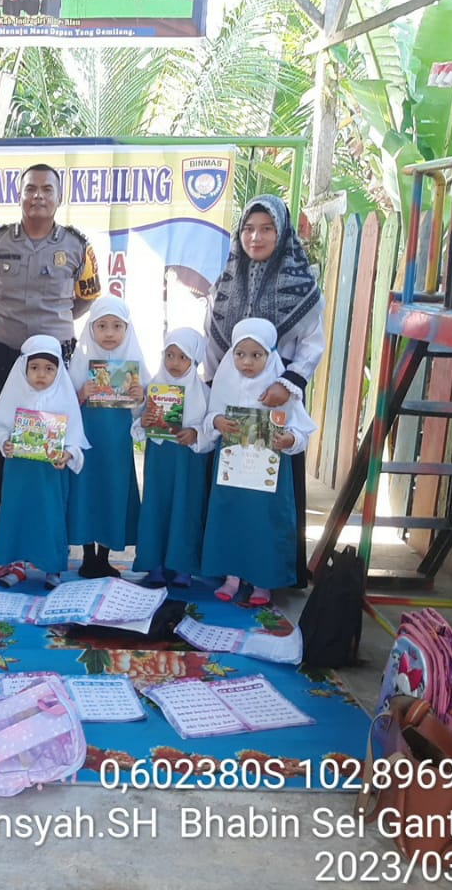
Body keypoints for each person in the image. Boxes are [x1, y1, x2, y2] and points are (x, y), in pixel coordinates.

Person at [205, 195, 323, 587]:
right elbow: (213, 339)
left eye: (267, 228)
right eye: (248, 229)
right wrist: (214, 392)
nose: (255, 237)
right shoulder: (224, 282)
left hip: (277, 400)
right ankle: (231, 570)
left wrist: (287, 384)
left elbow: (311, 343)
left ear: (282, 232)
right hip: (234, 401)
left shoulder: (304, 287)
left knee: (274, 496)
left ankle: (272, 573)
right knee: (233, 491)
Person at [0, 162, 100, 522]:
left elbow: (86, 298)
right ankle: (5, 517)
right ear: (20, 194)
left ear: (60, 198)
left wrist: (50, 324)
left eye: (46, 189)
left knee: (54, 440)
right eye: (31, 189)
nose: (38, 196)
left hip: (55, 359)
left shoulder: (78, 246)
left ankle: (51, 519)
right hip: (5, 355)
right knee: (3, 439)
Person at [201, 319, 316, 605]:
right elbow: (208, 417)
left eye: (256, 355)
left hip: (268, 474)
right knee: (231, 519)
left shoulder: (282, 391)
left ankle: (262, 581)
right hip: (231, 470)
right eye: (240, 354)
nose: (247, 362)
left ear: (270, 355)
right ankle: (232, 577)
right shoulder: (225, 380)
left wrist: (288, 440)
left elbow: (301, 431)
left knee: (263, 523)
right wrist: (218, 421)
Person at [0, 334, 88, 589]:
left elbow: (76, 438)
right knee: (17, 515)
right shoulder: (15, 393)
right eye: (35, 367)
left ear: (58, 370)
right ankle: (17, 565)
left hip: (49, 475)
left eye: (49, 369)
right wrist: (5, 442)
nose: (41, 374)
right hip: (19, 473)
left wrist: (68, 454)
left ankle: (52, 567)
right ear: (24, 368)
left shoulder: (64, 399)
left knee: (49, 517)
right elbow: (1, 428)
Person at [67, 297, 144, 579]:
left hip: (116, 445)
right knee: (87, 492)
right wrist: (81, 394)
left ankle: (104, 557)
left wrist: (141, 396)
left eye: (116, 326)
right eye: (101, 326)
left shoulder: (134, 362)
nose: (109, 333)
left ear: (127, 329)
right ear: (91, 329)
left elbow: (148, 411)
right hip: (88, 442)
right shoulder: (81, 362)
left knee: (113, 491)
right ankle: (87, 556)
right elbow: (64, 405)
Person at [135, 328, 214, 588]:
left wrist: (195, 434)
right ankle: (154, 564)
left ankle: (182, 567)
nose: (175, 363)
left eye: (183, 357)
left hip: (188, 462)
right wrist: (145, 421)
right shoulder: (154, 387)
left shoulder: (204, 393)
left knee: (186, 509)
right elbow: (138, 424)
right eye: (170, 355)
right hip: (160, 460)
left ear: (194, 360)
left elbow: (211, 430)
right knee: (156, 507)